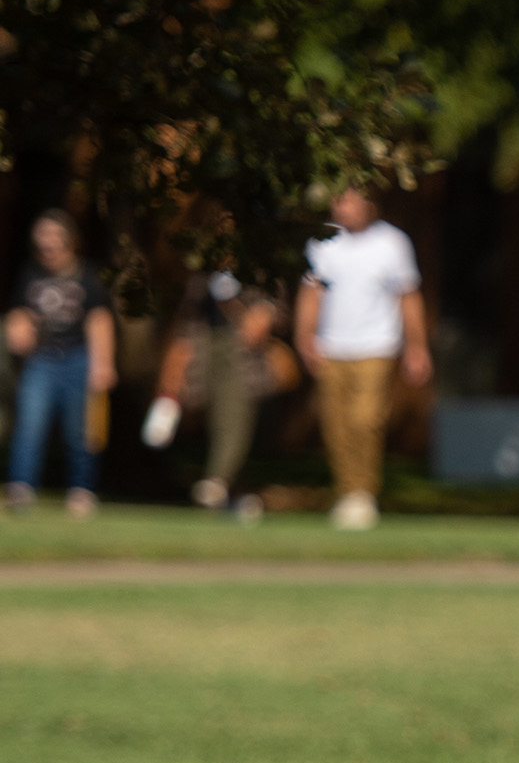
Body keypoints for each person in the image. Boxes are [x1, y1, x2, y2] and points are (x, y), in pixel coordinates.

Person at [294, 186, 429, 530]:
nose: (344, 207)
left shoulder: (392, 243)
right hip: (332, 347)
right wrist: (305, 338)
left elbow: (408, 296)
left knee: (365, 418)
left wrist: (417, 346)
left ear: (369, 203)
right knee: (335, 423)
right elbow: (311, 293)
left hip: (377, 345)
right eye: (339, 200)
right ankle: (348, 492)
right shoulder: (322, 242)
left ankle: (363, 493)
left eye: (351, 200)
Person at [142, 270, 293, 519]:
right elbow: (188, 318)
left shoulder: (257, 265)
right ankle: (228, 492)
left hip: (243, 353)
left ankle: (216, 482)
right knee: (212, 421)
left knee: (234, 418)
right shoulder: (202, 271)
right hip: (203, 347)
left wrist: (264, 313)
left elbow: (277, 308)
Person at [6, 210, 117, 518]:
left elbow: (99, 321)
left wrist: (103, 363)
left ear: (69, 240)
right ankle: (21, 488)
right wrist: (17, 328)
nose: (48, 243)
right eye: (43, 236)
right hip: (41, 360)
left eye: (54, 236)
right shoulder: (30, 274)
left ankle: (81, 491)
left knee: (80, 431)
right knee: (29, 425)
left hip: (78, 359)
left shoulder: (87, 275)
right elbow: (17, 312)